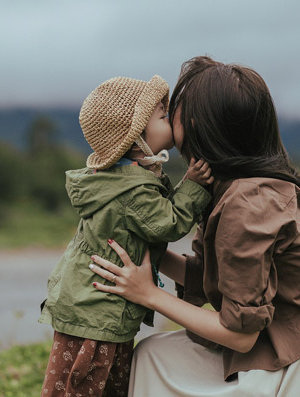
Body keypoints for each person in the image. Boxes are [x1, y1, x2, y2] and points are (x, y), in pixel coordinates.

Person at [88, 56, 300, 396]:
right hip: (277, 341)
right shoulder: (233, 188)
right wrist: (141, 248)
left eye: (171, 110)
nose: (166, 116)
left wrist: (149, 294)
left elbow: (239, 332)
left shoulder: (247, 202)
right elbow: (214, 277)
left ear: (196, 123)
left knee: (157, 358)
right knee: (153, 356)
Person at [39, 74, 214, 396]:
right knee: (85, 383)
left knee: (107, 382)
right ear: (136, 139)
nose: (170, 119)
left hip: (97, 306)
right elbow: (168, 224)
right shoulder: (130, 188)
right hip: (95, 310)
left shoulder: (128, 178)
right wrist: (194, 187)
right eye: (163, 116)